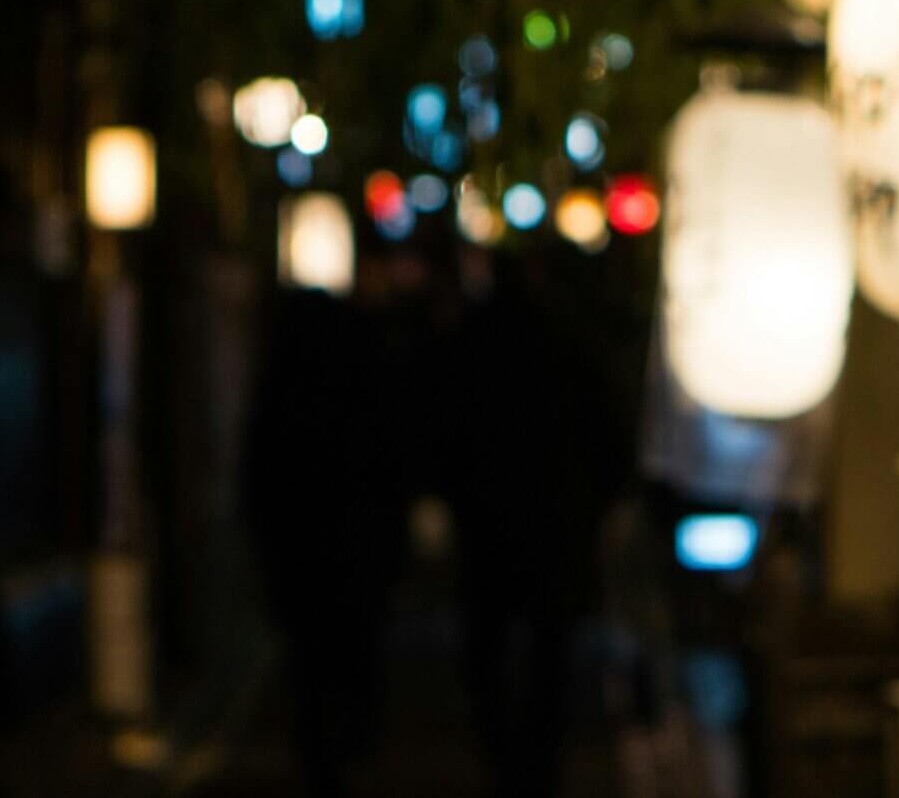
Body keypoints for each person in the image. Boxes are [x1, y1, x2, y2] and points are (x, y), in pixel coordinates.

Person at [436, 248, 623, 798]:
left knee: (489, 648)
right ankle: (540, 762)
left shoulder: (471, 343)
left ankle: (503, 757)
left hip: (489, 523)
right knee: (550, 650)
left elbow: (442, 431)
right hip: (554, 523)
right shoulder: (566, 342)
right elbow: (608, 438)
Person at [240, 283, 410, 798]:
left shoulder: (282, 392)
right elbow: (393, 473)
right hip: (356, 557)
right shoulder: (365, 389)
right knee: (354, 654)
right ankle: (351, 745)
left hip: (303, 560)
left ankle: (322, 760)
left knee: (310, 668)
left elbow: (258, 478)